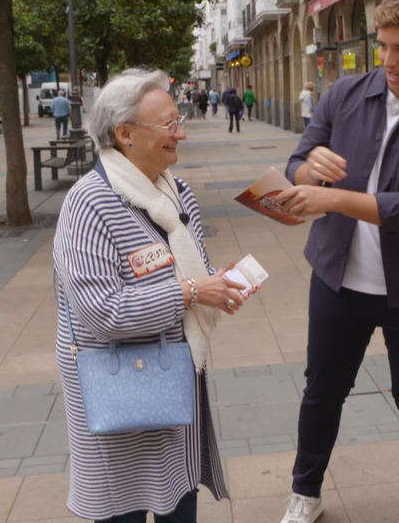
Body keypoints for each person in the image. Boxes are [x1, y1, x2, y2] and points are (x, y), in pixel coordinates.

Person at [275, 0, 399, 523]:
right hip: (339, 280)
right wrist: (307, 169)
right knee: (322, 392)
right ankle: (306, 493)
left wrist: (331, 197)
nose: (389, 61)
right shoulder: (344, 94)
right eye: (383, 47)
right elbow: (297, 164)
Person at [53, 68, 254, 523]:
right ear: (124, 134)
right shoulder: (89, 204)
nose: (180, 131)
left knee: (179, 503)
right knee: (121, 508)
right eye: (168, 124)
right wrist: (189, 291)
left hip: (174, 382)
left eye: (177, 117)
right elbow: (102, 313)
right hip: (121, 391)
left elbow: (189, 271)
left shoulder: (175, 190)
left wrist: (213, 286)